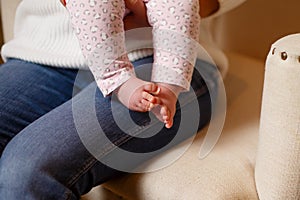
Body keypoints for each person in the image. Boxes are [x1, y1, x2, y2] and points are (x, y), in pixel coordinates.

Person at [0, 0, 221, 199]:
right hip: (44, 49)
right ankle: (118, 78)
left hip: (163, 58)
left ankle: (159, 81)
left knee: (27, 170)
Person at [63, 0, 201, 129]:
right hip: (55, 60)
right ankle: (119, 79)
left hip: (144, 53)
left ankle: (169, 85)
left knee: (179, 3)